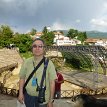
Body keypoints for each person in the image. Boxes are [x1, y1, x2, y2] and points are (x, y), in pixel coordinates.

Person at [18, 38, 57, 107]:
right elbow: (22, 78)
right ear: (32, 48)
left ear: (44, 49)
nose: (37, 48)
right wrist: (20, 93)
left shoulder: (49, 63)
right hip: (28, 96)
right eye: (35, 46)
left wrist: (51, 101)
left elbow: (52, 82)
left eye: (40, 46)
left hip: (43, 98)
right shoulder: (27, 62)